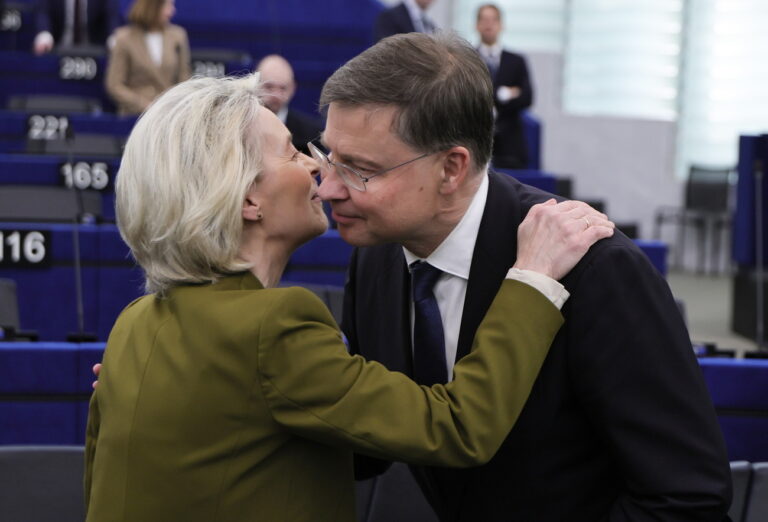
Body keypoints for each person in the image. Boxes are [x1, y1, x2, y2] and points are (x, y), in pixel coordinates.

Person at [83, 73, 613, 522]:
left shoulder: (133, 325)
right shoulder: (274, 325)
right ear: (247, 198)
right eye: (291, 152)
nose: (318, 168)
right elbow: (457, 427)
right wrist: (533, 278)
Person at [316, 32, 732, 521]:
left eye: (359, 170)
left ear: (452, 168)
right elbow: (372, 444)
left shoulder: (596, 269)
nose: (327, 189)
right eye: (328, 158)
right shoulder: (377, 256)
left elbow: (687, 496)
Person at [104, 0, 190, 116]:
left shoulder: (178, 36)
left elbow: (184, 80)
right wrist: (144, 105)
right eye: (167, 6)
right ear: (152, 7)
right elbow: (115, 85)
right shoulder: (124, 38)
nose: (172, 11)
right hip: (135, 116)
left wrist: (171, 105)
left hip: (168, 113)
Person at [476, 3, 533, 169]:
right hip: (477, 138)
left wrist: (492, 98)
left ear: (501, 25)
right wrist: (505, 94)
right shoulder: (468, 59)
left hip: (510, 144)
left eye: (493, 20)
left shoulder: (516, 61)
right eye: (484, 20)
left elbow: (527, 97)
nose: (489, 24)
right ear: (477, 25)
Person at [256, 54, 323, 155]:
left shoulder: (311, 135)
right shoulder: (239, 127)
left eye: (283, 88)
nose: (276, 95)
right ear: (255, 84)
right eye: (269, 87)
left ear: (293, 88)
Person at [33, 0, 119, 55]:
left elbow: (111, 15)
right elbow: (43, 12)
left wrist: (113, 37)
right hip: (58, 47)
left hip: (95, 49)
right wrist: (44, 33)